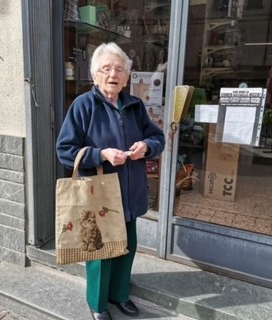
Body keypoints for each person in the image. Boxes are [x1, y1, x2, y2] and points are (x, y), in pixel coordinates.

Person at [56, 42, 165, 320]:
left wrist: (146, 146)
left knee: (126, 249)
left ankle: (119, 295)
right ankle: (97, 303)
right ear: (95, 75)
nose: (113, 74)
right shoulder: (83, 105)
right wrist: (100, 154)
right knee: (100, 253)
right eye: (106, 69)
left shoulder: (135, 105)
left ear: (127, 77)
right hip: (100, 195)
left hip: (130, 193)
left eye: (119, 69)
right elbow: (64, 150)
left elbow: (158, 138)